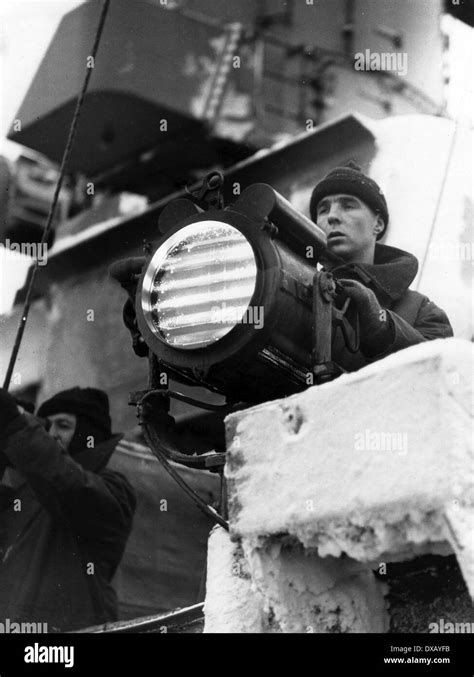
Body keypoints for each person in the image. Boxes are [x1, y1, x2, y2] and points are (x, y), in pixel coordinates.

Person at [0, 386, 136, 632]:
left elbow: (68, 485)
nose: (51, 434)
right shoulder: (26, 494)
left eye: (63, 425)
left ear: (88, 433)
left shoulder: (114, 489)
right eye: (46, 427)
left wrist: (16, 427)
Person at [309, 162, 453, 371]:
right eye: (323, 210)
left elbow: (439, 370)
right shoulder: (300, 287)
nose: (331, 216)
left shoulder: (422, 311)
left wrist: (381, 325)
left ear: (378, 224)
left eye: (348, 206)